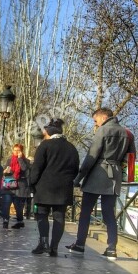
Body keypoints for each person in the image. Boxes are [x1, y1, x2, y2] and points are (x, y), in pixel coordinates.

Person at [66, 108, 136, 259]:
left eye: (95, 120)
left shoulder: (103, 130)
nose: (95, 124)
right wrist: (126, 178)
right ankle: (111, 248)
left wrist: (79, 178)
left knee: (85, 212)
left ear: (104, 117)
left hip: (98, 174)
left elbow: (91, 156)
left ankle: (79, 245)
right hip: (114, 176)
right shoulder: (127, 133)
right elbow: (131, 159)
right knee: (109, 213)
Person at [29, 119, 79, 256]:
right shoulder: (71, 148)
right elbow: (76, 169)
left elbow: (37, 168)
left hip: (44, 187)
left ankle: (43, 243)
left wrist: (32, 183)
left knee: (42, 215)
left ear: (49, 132)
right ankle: (54, 248)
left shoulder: (45, 145)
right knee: (59, 217)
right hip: (63, 189)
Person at [0, 143, 31, 229]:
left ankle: (20, 221)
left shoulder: (26, 161)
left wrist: (20, 159)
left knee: (18, 206)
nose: (16, 152)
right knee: (6, 203)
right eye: (15, 150)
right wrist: (6, 171)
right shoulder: (9, 160)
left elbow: (24, 169)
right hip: (9, 185)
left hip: (20, 187)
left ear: (21, 151)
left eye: (18, 150)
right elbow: (5, 171)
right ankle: (5, 220)